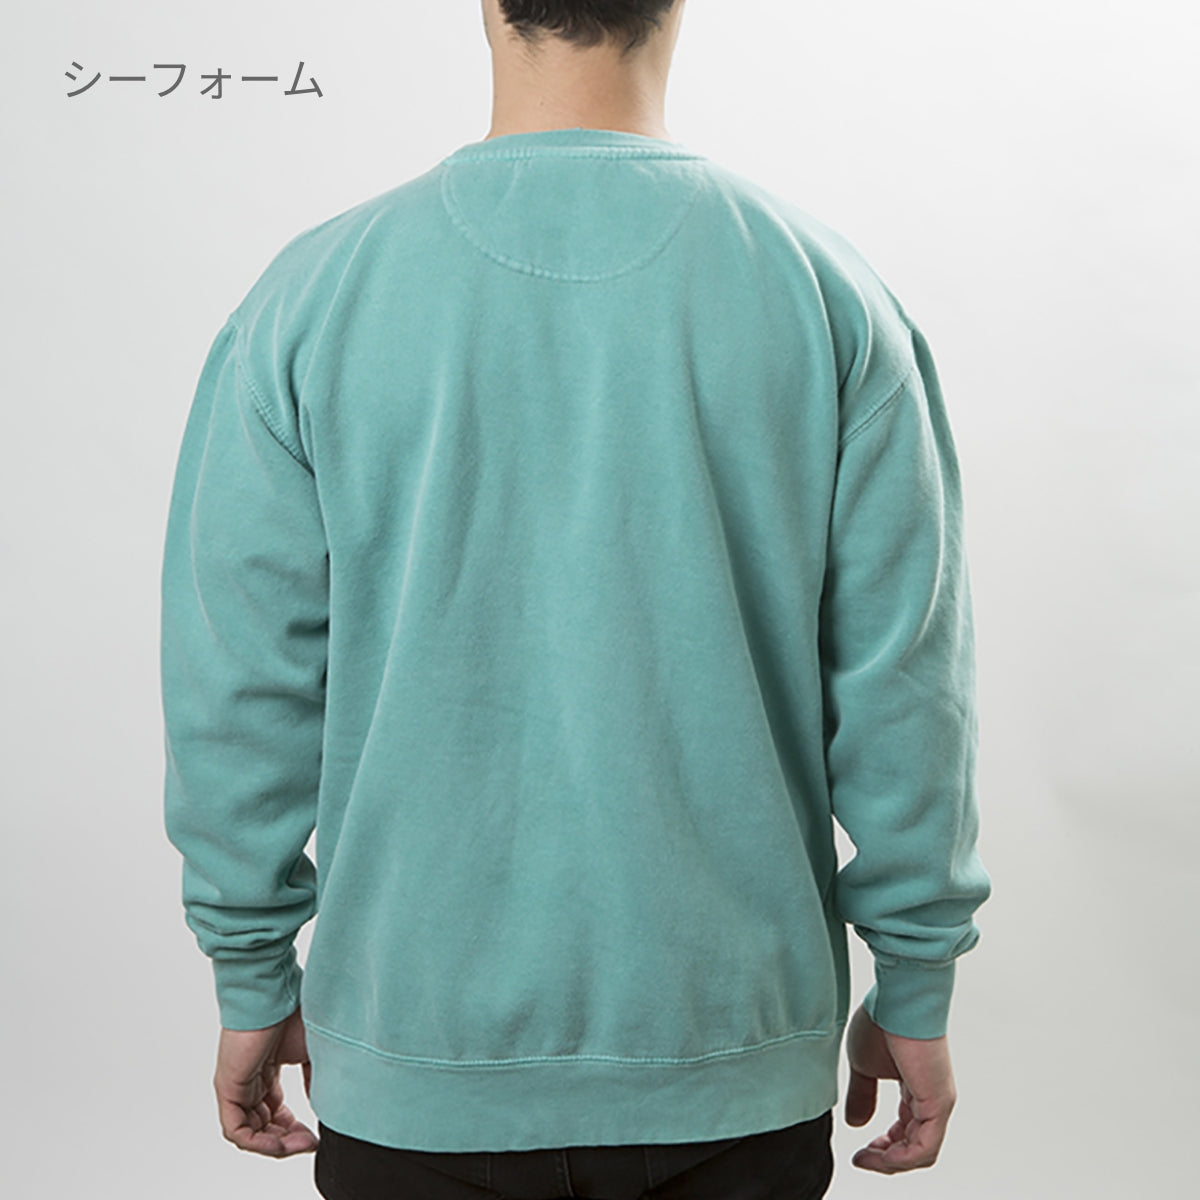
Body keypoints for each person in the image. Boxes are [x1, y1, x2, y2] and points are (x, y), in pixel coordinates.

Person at [159, 1, 993, 1196]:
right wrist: (914, 981)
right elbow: (909, 690)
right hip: (731, 1058)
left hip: (417, 1052)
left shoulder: (312, 297)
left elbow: (237, 687)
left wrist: (251, 975)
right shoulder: (825, 292)